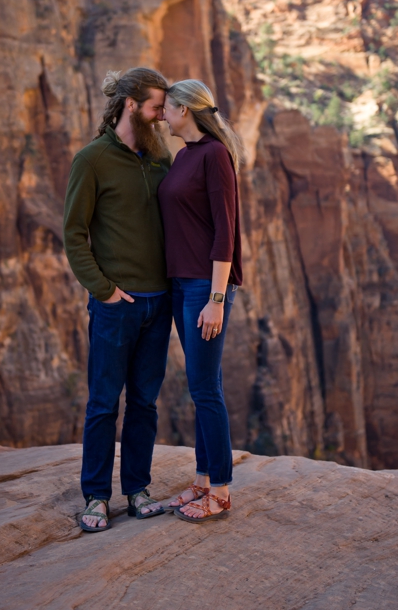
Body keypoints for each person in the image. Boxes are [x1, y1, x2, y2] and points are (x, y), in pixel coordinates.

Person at [64, 66, 173, 533]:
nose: (163, 116)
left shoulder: (160, 159)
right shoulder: (92, 159)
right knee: (104, 403)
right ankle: (95, 496)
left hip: (160, 303)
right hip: (116, 305)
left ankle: (137, 489)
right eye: (156, 107)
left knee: (145, 403)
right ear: (132, 105)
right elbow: (73, 234)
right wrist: (104, 290)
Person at [150, 79, 242, 523]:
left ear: (185, 110)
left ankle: (220, 491)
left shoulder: (214, 155)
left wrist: (217, 298)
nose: (161, 114)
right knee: (202, 387)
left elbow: (226, 232)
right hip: (180, 286)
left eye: (166, 107)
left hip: (204, 288)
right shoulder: (184, 156)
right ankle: (203, 481)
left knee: (206, 390)